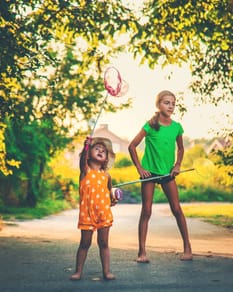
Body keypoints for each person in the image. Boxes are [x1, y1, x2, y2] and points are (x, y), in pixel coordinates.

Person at [128, 90, 193, 263]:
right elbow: (132, 146)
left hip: (167, 173)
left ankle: (188, 248)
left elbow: (180, 148)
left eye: (173, 103)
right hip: (149, 173)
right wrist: (140, 168)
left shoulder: (176, 127)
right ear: (158, 105)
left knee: (177, 209)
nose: (170, 106)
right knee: (146, 211)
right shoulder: (150, 125)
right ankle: (142, 252)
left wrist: (177, 165)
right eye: (166, 102)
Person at [70, 136, 117, 281]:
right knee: (85, 243)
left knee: (104, 243)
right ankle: (78, 271)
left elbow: (109, 194)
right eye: (96, 148)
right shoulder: (85, 171)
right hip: (87, 214)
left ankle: (106, 271)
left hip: (104, 214)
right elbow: (82, 161)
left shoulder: (106, 176)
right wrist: (86, 147)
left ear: (106, 159)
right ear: (89, 154)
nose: (101, 151)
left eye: (104, 151)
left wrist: (112, 199)